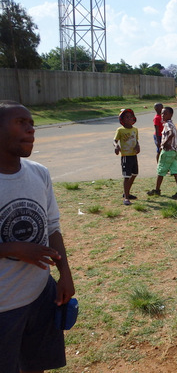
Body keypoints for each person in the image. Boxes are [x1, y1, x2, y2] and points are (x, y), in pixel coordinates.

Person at [0, 100, 75, 373]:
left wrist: (64, 275)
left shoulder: (39, 174)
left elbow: (52, 227)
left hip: (40, 295)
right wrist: (12, 248)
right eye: (21, 122)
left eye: (32, 123)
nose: (31, 129)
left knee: (35, 367)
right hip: (4, 306)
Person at [147, 107, 177, 199]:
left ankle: (157, 190)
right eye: (162, 114)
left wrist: (164, 143)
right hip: (174, 151)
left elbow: (171, 134)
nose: (163, 115)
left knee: (161, 170)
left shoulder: (167, 124)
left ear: (171, 115)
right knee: (175, 171)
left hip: (168, 151)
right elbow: (176, 137)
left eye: (165, 114)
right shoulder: (171, 124)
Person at [114, 108, 140, 206]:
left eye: (130, 117)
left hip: (134, 155)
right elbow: (115, 140)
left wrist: (138, 146)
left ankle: (127, 192)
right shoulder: (120, 130)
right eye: (126, 117)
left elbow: (136, 140)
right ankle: (126, 198)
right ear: (122, 120)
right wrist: (116, 146)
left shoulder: (135, 129)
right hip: (126, 156)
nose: (129, 119)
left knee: (135, 174)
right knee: (126, 176)